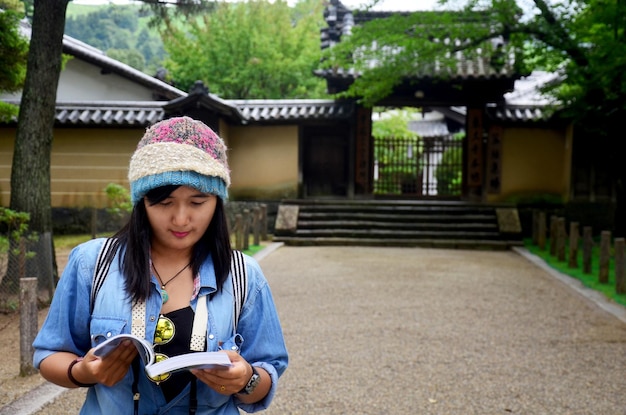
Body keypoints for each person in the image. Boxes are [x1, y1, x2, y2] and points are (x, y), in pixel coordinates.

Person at [33, 116, 288, 414]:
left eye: (197, 202)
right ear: (142, 201)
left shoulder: (243, 275)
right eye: (164, 203)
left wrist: (245, 379)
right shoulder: (93, 263)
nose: (181, 219)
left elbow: (267, 372)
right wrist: (82, 372)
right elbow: (50, 353)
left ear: (218, 201)